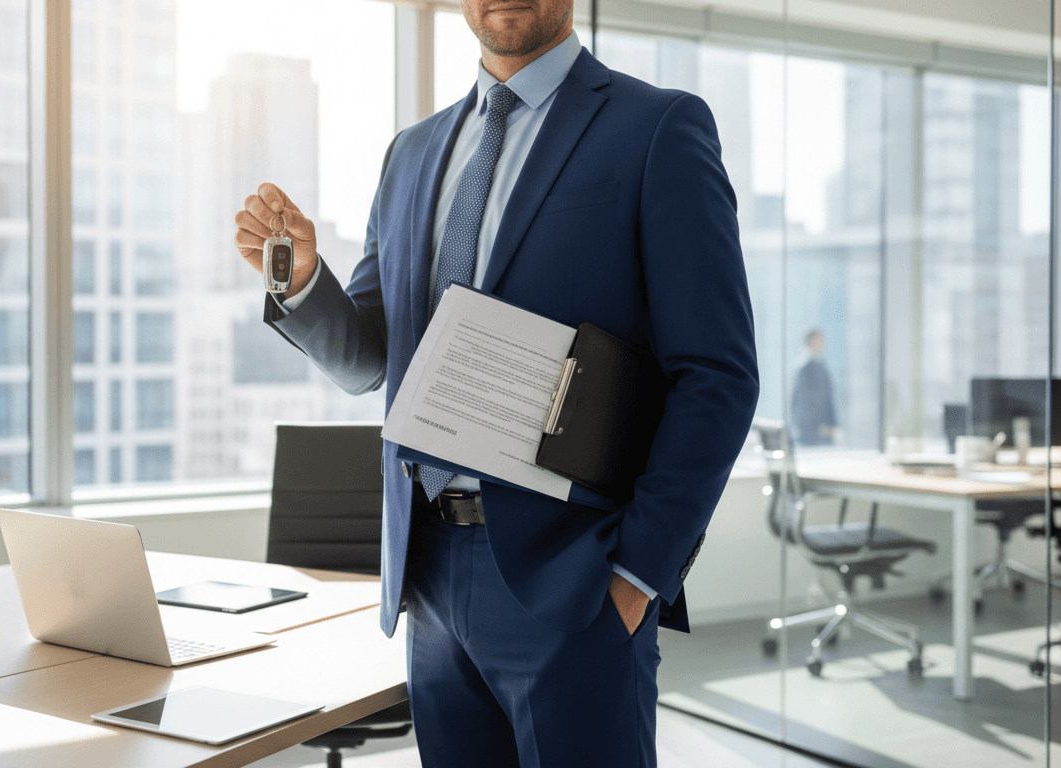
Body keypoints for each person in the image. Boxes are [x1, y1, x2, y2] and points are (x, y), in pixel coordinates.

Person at [233, 1, 758, 765]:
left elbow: (717, 375)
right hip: (431, 578)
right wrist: (306, 282)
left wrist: (638, 575)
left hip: (576, 579)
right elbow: (371, 362)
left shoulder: (657, 127)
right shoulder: (410, 154)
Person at [790, 328, 837, 446]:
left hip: (822, 427)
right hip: (811, 429)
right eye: (819, 340)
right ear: (809, 342)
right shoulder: (804, 366)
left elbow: (827, 397)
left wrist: (831, 424)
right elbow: (801, 401)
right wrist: (816, 426)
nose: (822, 344)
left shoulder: (820, 364)